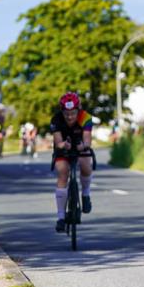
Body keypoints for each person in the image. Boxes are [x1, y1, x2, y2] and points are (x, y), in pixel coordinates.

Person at [50, 92, 94, 232]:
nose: (70, 117)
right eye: (66, 113)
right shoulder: (56, 120)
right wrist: (63, 145)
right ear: (62, 111)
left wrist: (84, 145)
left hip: (80, 145)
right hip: (64, 148)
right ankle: (61, 217)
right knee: (63, 172)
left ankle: (86, 193)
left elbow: (87, 138)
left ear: (78, 109)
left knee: (86, 165)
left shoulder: (85, 117)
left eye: (73, 113)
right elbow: (58, 142)